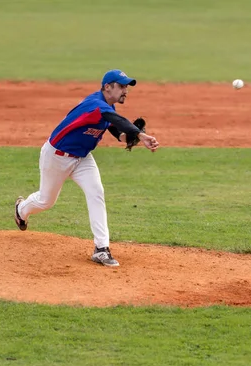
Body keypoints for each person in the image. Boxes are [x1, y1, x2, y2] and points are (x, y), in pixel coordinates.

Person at [14, 69, 159, 267]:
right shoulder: (95, 104)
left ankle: (101, 249)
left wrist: (132, 138)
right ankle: (21, 210)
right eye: (122, 86)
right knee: (46, 201)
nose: (125, 90)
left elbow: (118, 131)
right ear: (107, 87)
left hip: (82, 159)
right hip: (56, 156)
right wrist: (141, 135)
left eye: (127, 87)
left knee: (96, 192)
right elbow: (119, 121)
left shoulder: (108, 107)